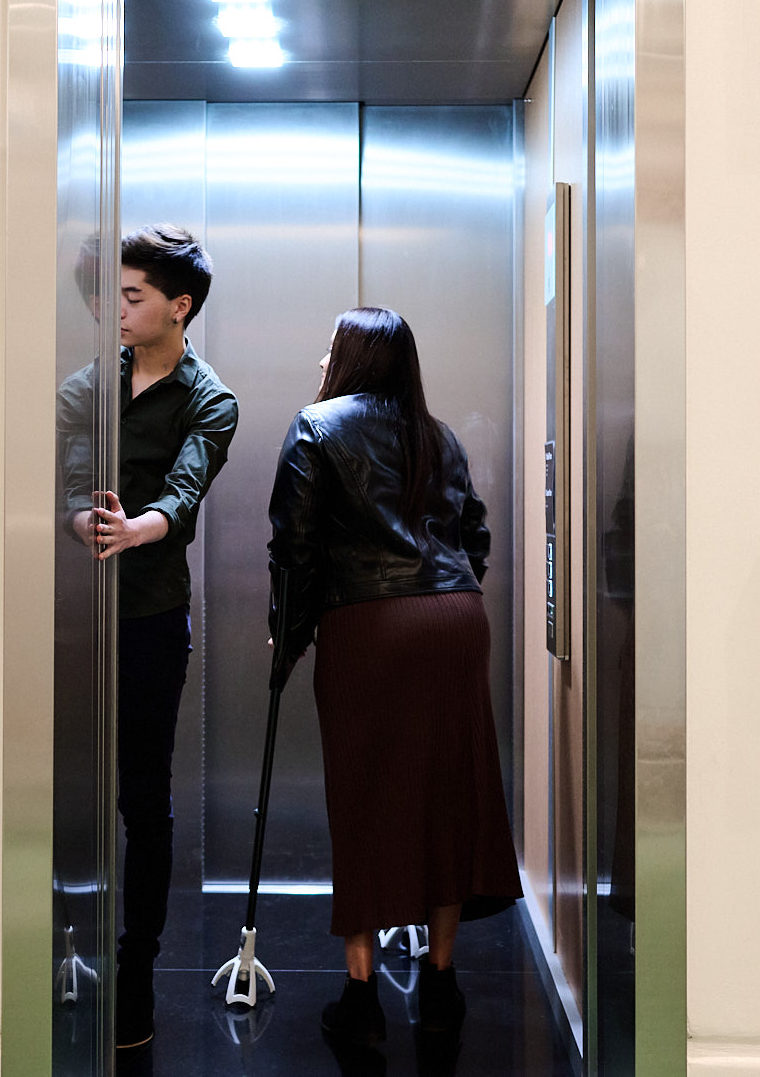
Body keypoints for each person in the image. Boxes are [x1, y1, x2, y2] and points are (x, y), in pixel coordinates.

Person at [266, 306, 521, 1050]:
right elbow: (474, 532)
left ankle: (361, 993)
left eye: (330, 347)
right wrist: (442, 596)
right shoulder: (438, 434)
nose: (321, 359)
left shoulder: (316, 426)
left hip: (370, 624)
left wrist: (290, 637)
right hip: (454, 620)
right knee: (449, 795)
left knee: (366, 797)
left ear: (351, 357)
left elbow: (296, 547)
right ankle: (441, 982)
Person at [59, 224, 238, 1050]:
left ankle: (137, 970)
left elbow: (188, 483)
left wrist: (144, 527)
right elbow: (66, 470)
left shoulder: (212, 398)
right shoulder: (88, 385)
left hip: (152, 619)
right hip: (69, 616)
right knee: (57, 785)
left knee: (144, 798)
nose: (118, 310)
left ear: (179, 306)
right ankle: (62, 948)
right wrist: (78, 516)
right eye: (115, 295)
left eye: (133, 298)